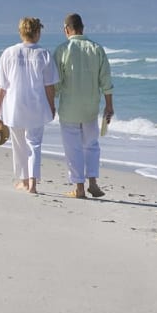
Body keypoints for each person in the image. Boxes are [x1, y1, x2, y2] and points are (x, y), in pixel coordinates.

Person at [0, 17, 58, 194]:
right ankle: (33, 184)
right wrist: (52, 106)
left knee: (19, 145)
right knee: (34, 144)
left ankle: (23, 181)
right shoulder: (44, 54)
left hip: (14, 106)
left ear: (21, 32)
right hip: (36, 106)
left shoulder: (9, 52)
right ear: (37, 32)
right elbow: (50, 85)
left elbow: (2, 85)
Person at [54, 13, 114, 198]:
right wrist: (109, 106)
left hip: (70, 108)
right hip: (90, 107)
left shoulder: (63, 49)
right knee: (92, 145)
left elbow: (56, 82)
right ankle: (93, 183)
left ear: (66, 29)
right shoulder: (96, 48)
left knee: (73, 148)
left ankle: (79, 188)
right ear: (83, 27)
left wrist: (49, 102)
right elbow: (105, 80)